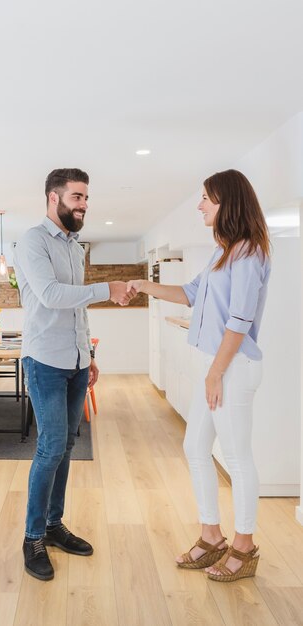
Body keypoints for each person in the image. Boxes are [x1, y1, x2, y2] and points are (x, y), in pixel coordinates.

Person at [127, 169, 271, 582]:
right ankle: (212, 535)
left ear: (228, 201)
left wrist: (215, 372)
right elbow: (189, 293)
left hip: (234, 367)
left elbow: (240, 319)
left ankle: (244, 547)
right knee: (195, 448)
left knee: (238, 458)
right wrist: (143, 285)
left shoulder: (248, 252)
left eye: (207, 198)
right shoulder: (222, 251)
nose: (200, 205)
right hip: (217, 366)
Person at [13, 168, 132, 581]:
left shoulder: (74, 246)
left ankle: (53, 525)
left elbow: (74, 308)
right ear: (53, 198)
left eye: (86, 198)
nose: (84, 205)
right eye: (77, 197)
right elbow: (50, 295)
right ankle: (32, 537)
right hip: (44, 361)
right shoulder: (33, 241)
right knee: (50, 447)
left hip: (76, 362)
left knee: (65, 448)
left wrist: (88, 353)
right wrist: (107, 288)